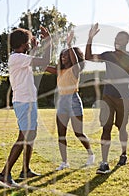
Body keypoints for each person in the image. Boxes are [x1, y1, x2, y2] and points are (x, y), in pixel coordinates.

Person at [85, 23, 129, 174]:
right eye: (116, 38)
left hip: (124, 99)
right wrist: (90, 38)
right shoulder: (108, 55)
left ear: (126, 42)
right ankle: (104, 163)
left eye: (121, 38)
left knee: (122, 128)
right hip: (107, 96)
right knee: (106, 128)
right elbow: (88, 57)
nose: (117, 40)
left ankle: (123, 154)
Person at [0, 26, 52, 188]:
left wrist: (35, 48)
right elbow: (44, 62)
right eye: (28, 42)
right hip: (23, 102)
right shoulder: (17, 58)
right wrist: (48, 42)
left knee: (31, 135)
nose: (29, 44)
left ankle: (25, 170)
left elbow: (31, 60)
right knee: (23, 137)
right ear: (22, 43)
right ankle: (4, 174)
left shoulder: (19, 57)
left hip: (29, 101)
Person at [48, 31, 95, 171]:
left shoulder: (76, 69)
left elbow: (75, 62)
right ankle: (64, 162)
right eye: (62, 55)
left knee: (78, 132)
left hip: (73, 100)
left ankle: (91, 155)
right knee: (61, 134)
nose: (63, 57)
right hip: (62, 101)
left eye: (66, 55)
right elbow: (43, 66)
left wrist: (69, 45)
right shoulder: (59, 71)